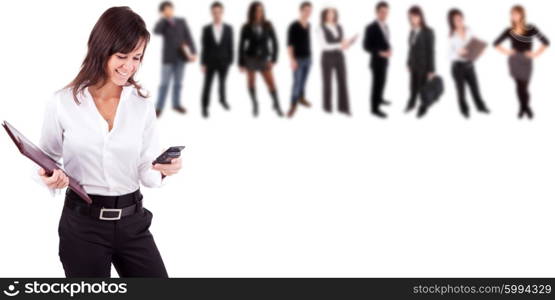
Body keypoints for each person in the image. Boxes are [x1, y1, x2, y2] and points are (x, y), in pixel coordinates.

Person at [37, 7, 182, 277]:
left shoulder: (141, 105)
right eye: (122, 56)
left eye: (137, 57)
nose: (129, 66)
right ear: (101, 50)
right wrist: (49, 176)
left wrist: (162, 170)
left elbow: (144, 171)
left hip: (133, 223)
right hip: (83, 226)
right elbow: (45, 157)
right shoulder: (63, 103)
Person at [494, 5, 549, 119]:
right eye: (512, 14)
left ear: (522, 14)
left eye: (516, 13)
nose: (514, 16)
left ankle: (524, 107)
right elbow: (496, 43)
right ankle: (524, 108)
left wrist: (536, 53)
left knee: (524, 87)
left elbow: (546, 42)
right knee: (520, 86)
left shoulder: (531, 28)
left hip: (526, 61)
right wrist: (507, 52)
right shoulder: (509, 30)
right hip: (514, 61)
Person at [239, 1, 282, 117]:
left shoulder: (268, 25)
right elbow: (241, 46)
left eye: (261, 10)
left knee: (271, 83)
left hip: (264, 58)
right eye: (257, 10)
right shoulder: (245, 27)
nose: (259, 13)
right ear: (252, 12)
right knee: (251, 83)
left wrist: (273, 59)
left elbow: (275, 42)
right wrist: (241, 63)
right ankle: (255, 104)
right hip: (250, 58)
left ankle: (276, 104)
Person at [154, 1, 197, 117]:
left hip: (181, 57)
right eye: (166, 10)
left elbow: (188, 37)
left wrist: (193, 52)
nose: (169, 11)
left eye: (170, 9)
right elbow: (156, 31)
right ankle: (158, 107)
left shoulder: (181, 21)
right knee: (164, 84)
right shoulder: (163, 24)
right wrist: (164, 19)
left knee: (178, 83)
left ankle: (176, 104)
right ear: (163, 12)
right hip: (168, 58)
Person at [448, 9, 490, 118]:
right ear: (452, 22)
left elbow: (474, 43)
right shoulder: (451, 36)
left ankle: (481, 107)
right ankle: (464, 110)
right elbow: (449, 56)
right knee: (461, 91)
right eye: (456, 20)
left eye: (460, 19)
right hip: (458, 68)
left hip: (470, 65)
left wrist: (479, 51)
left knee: (475, 89)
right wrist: (458, 52)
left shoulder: (469, 30)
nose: (459, 21)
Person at [318, 7, 356, 115]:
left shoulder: (339, 26)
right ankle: (327, 108)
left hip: (339, 56)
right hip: (327, 57)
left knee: (343, 81)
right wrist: (340, 44)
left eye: (333, 13)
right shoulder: (320, 28)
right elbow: (324, 46)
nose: (331, 15)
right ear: (324, 15)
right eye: (328, 13)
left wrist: (348, 44)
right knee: (327, 83)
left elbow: (342, 42)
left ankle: (344, 108)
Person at [200, 2, 234, 118]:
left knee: (222, 83)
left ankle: (223, 100)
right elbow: (204, 47)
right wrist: (203, 63)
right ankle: (204, 106)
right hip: (210, 62)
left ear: (222, 12)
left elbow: (230, 45)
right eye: (215, 12)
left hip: (224, 61)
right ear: (212, 13)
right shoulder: (207, 29)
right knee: (207, 85)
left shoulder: (229, 29)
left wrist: (230, 60)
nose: (217, 14)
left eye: (219, 12)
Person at [406, 6, 436, 118]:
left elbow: (431, 52)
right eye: (410, 17)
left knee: (423, 89)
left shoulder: (429, 32)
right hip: (413, 65)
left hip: (424, 66)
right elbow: (410, 49)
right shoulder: (411, 31)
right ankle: (411, 104)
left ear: (420, 16)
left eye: (414, 16)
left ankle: (423, 108)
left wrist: (431, 70)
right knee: (412, 87)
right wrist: (408, 63)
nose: (412, 19)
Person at [363, 1, 392, 118]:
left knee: (383, 82)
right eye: (382, 12)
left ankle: (379, 99)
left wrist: (389, 49)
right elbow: (366, 46)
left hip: (385, 61)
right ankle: (374, 109)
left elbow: (385, 42)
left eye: (386, 12)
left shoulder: (386, 26)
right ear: (376, 12)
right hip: (376, 62)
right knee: (376, 85)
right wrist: (380, 53)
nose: (384, 14)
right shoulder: (370, 27)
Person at [286, 2, 313, 118]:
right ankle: (293, 105)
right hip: (298, 59)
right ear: (300, 10)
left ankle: (301, 99)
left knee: (303, 81)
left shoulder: (309, 25)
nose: (308, 13)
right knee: (297, 83)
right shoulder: (293, 26)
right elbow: (289, 45)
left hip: (308, 58)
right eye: (306, 10)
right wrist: (292, 60)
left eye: (310, 10)